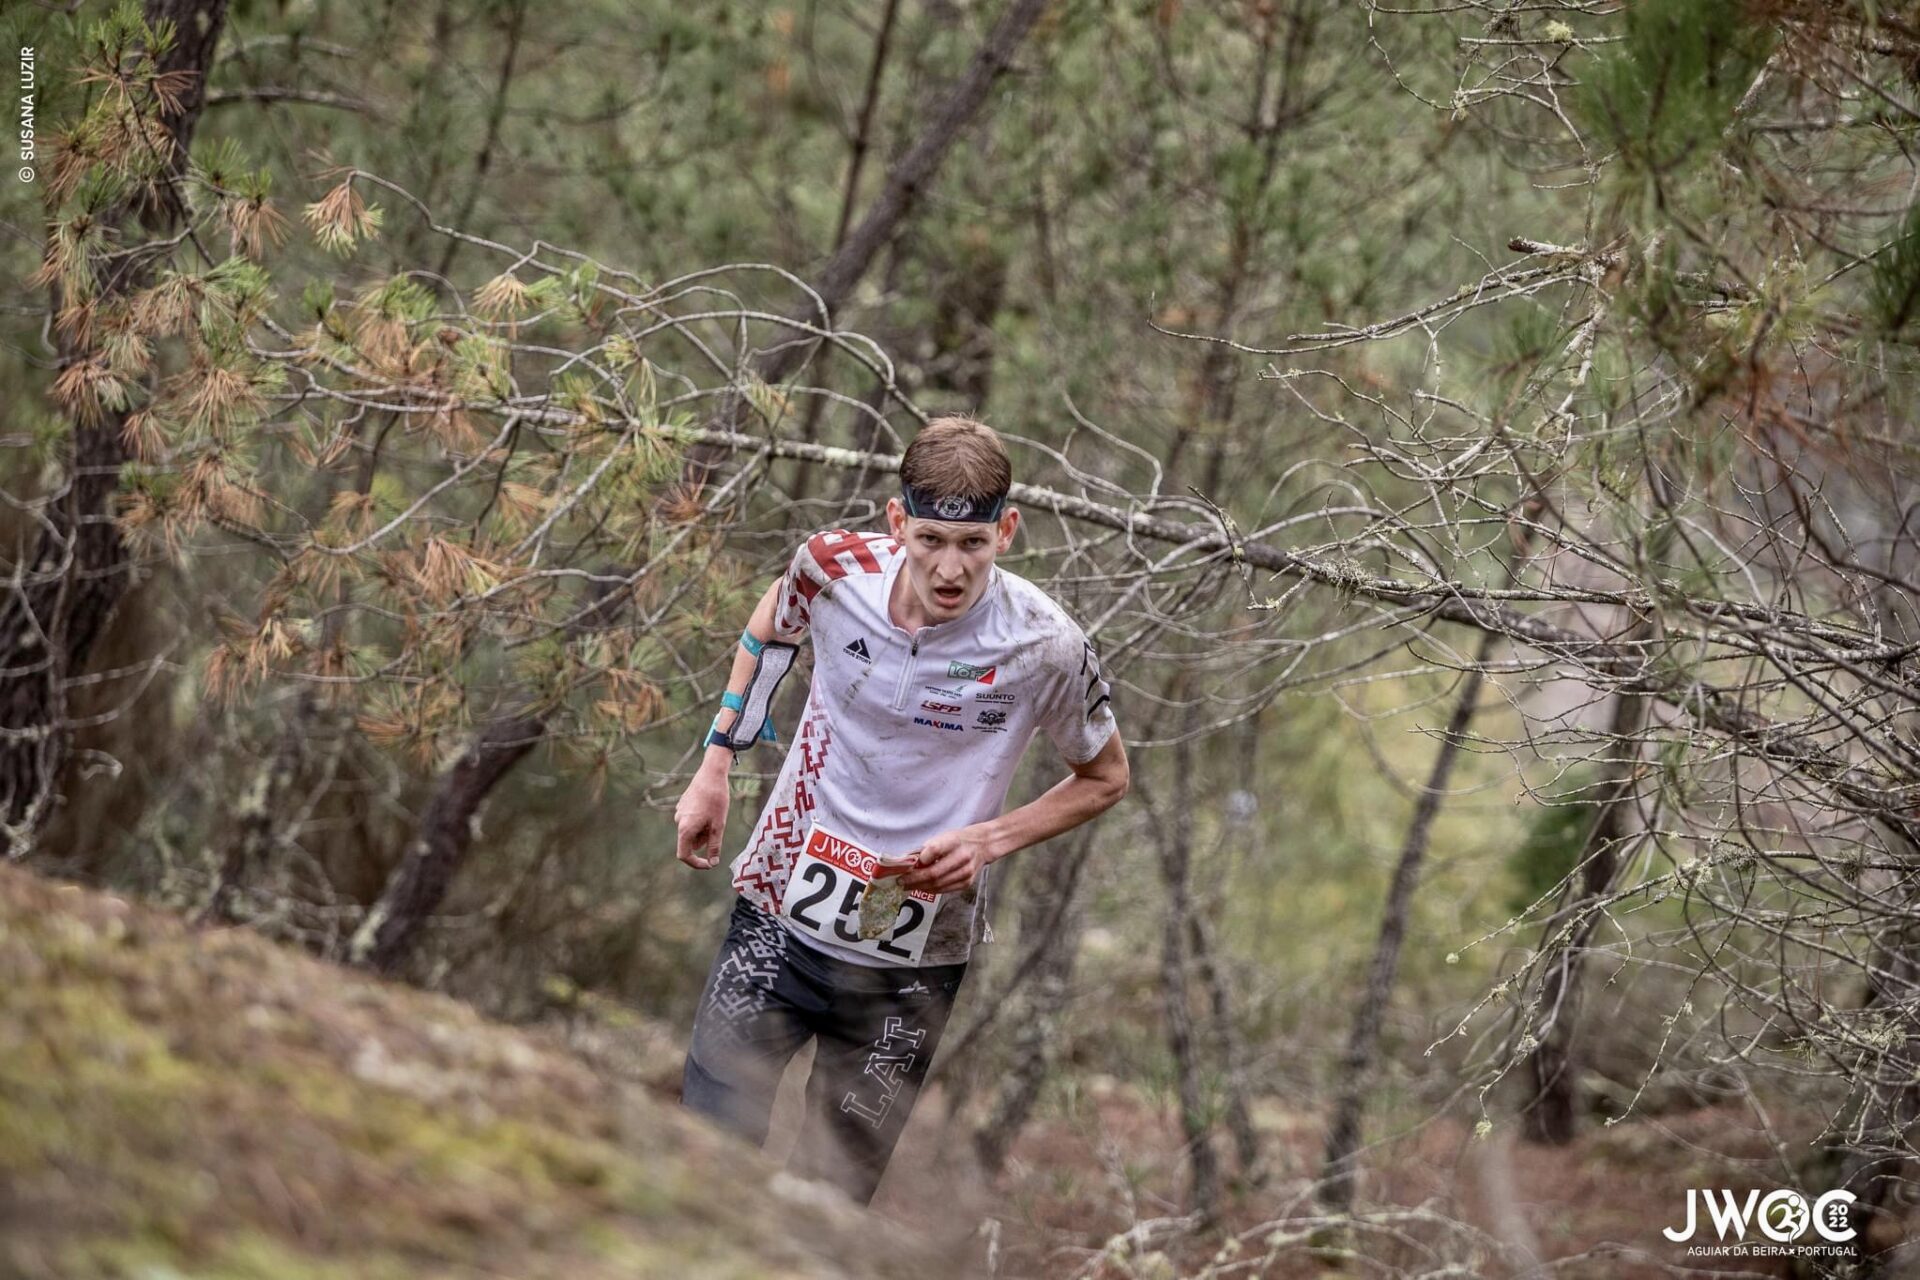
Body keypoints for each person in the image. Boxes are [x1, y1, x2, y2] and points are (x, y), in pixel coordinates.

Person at [672, 414, 1129, 1205]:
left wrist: (990, 839)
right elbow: (773, 624)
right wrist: (717, 762)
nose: (951, 569)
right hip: (778, 911)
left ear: (1007, 531)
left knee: (830, 1204)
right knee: (706, 1160)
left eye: (974, 544)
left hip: (911, 957)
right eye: (930, 540)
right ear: (896, 524)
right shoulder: (831, 569)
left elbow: (1107, 776)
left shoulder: (1044, 643)